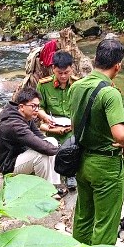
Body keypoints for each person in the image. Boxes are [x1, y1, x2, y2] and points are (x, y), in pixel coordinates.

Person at [68, 38, 124, 246]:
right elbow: (120, 134)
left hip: (81, 161)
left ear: (95, 59)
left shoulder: (76, 86)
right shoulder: (110, 93)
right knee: (105, 223)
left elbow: (74, 122)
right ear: (118, 66)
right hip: (106, 165)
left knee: (83, 217)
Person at [0, 87, 65, 196]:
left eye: (38, 106)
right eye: (33, 106)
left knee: (51, 141)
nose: (37, 109)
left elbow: (40, 137)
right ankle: (45, 192)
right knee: (41, 154)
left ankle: (53, 185)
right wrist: (63, 152)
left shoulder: (26, 117)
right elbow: (40, 146)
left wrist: (56, 147)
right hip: (10, 166)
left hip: (23, 156)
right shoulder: (13, 124)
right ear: (21, 107)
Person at [36, 50, 78, 191]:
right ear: (53, 69)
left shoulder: (78, 85)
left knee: (73, 144)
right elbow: (39, 108)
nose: (63, 76)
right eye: (60, 73)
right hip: (52, 126)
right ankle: (55, 180)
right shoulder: (44, 85)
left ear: (72, 68)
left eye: (66, 72)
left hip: (73, 127)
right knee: (52, 146)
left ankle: (71, 175)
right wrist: (45, 117)